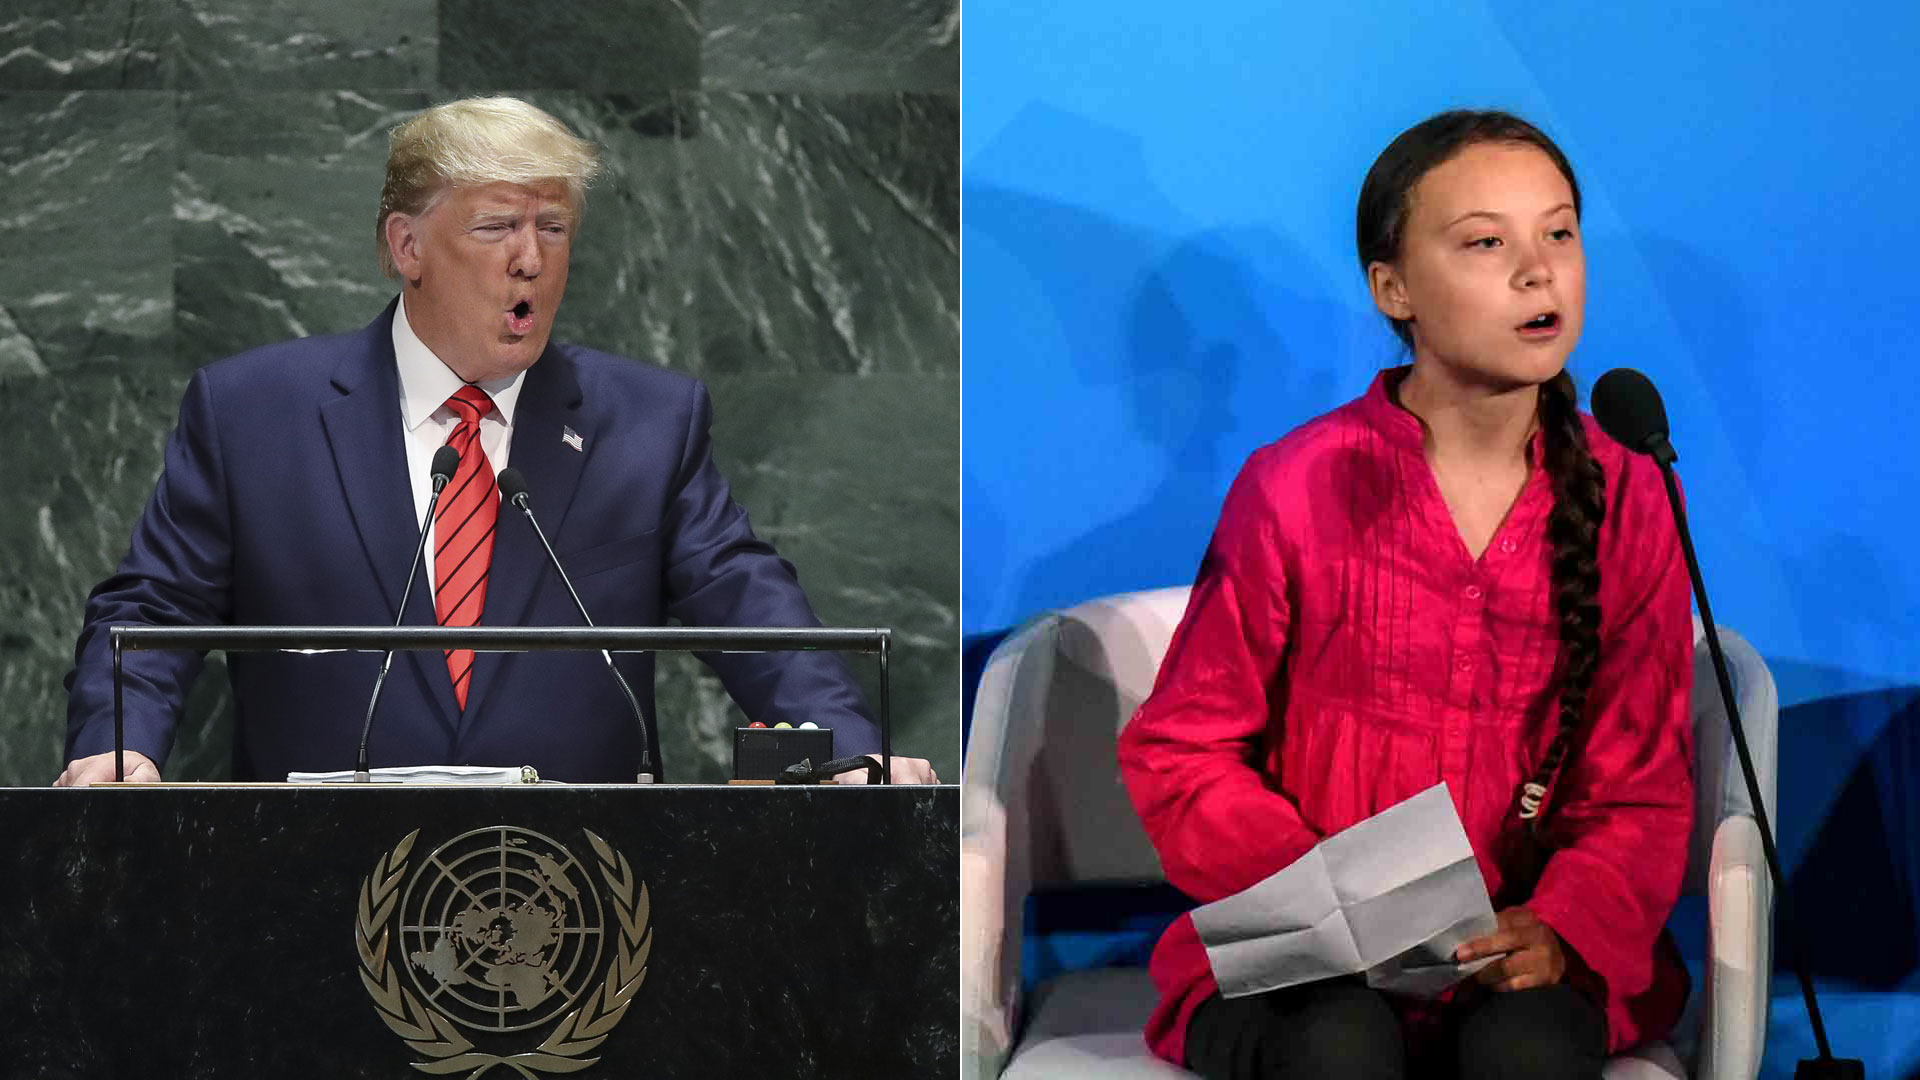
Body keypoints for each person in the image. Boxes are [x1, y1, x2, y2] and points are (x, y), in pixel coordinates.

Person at [58, 96, 937, 787]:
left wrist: (851, 750)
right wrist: (116, 746)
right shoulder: (254, 413)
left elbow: (748, 604)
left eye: (552, 228)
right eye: (496, 227)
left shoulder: (649, 422)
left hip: (590, 908)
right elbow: (151, 614)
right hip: (308, 896)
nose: (530, 259)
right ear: (407, 244)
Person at [1115, 110, 1694, 1078]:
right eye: (1485, 243)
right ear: (1394, 288)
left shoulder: (1628, 487)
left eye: (1558, 233)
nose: (1537, 271)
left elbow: (1640, 786)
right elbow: (1184, 747)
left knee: (1531, 1053)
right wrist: (1338, 907)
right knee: (1343, 1044)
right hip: (1312, 959)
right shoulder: (1296, 483)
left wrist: (1558, 925)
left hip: (1520, 958)